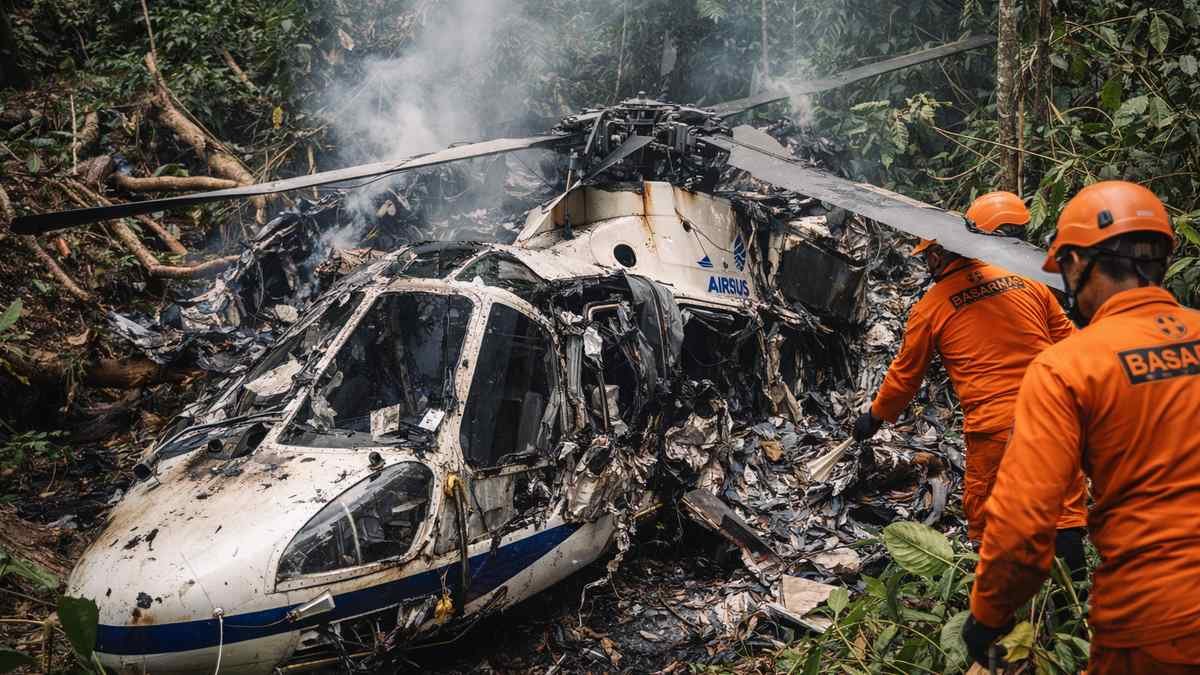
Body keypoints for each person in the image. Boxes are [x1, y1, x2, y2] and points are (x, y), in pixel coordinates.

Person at [963, 181, 1200, 673]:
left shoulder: (1066, 368)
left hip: (1155, 619)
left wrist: (987, 615)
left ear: (1077, 263)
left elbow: (1023, 524)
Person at [854, 191, 1088, 559]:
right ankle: (1071, 607)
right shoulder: (1025, 281)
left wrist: (875, 416)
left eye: (928, 256)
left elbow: (905, 377)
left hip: (996, 428)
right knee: (1063, 514)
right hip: (1054, 415)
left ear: (937, 254)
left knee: (989, 516)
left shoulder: (930, 307)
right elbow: (1072, 344)